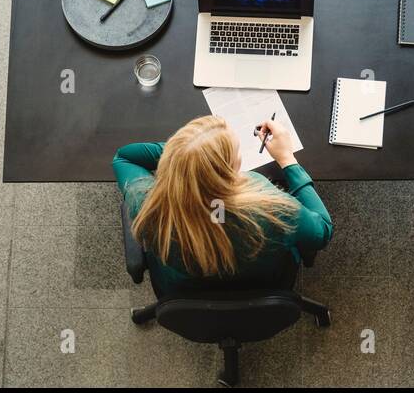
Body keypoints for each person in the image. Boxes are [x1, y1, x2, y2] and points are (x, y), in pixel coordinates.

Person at [112, 115, 332, 296]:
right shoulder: (273, 209)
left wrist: (188, 155)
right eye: (237, 152)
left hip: (183, 294)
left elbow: (124, 158)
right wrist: (287, 159)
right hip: (264, 287)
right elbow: (322, 230)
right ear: (231, 167)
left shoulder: (147, 203)